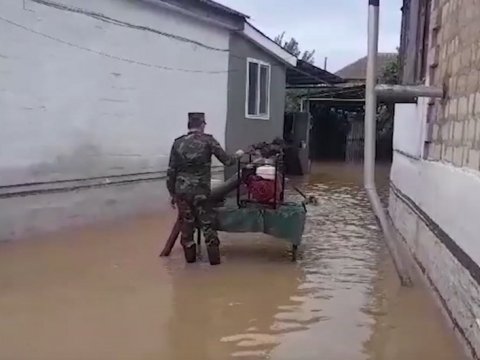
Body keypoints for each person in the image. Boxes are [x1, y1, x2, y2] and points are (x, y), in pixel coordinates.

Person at [166, 112, 244, 265]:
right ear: (202, 125)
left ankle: (190, 264)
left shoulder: (178, 143)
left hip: (182, 192)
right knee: (208, 226)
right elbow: (228, 161)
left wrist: (171, 193)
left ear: (189, 125)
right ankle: (214, 264)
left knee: (187, 228)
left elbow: (171, 171)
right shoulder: (208, 141)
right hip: (200, 192)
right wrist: (238, 155)